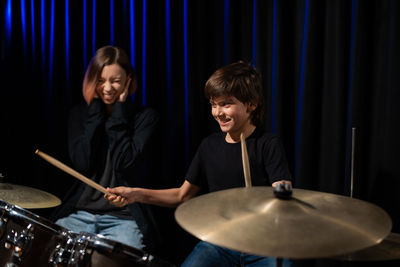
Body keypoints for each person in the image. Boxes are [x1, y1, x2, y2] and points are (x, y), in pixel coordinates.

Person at [105, 61, 292, 266]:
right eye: (214, 104)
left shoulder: (268, 144)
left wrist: (281, 194)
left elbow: (281, 194)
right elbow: (181, 195)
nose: (218, 112)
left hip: (261, 246)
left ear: (251, 104)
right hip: (220, 242)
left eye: (226, 104)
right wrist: (135, 194)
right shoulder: (209, 146)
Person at [52, 46, 159, 251]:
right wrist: (96, 113)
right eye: (100, 81)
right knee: (52, 249)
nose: (108, 88)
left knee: (128, 259)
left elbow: (125, 162)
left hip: (124, 217)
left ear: (129, 79)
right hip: (80, 213)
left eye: (116, 81)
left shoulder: (145, 117)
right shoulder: (80, 115)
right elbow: (82, 163)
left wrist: (118, 111)